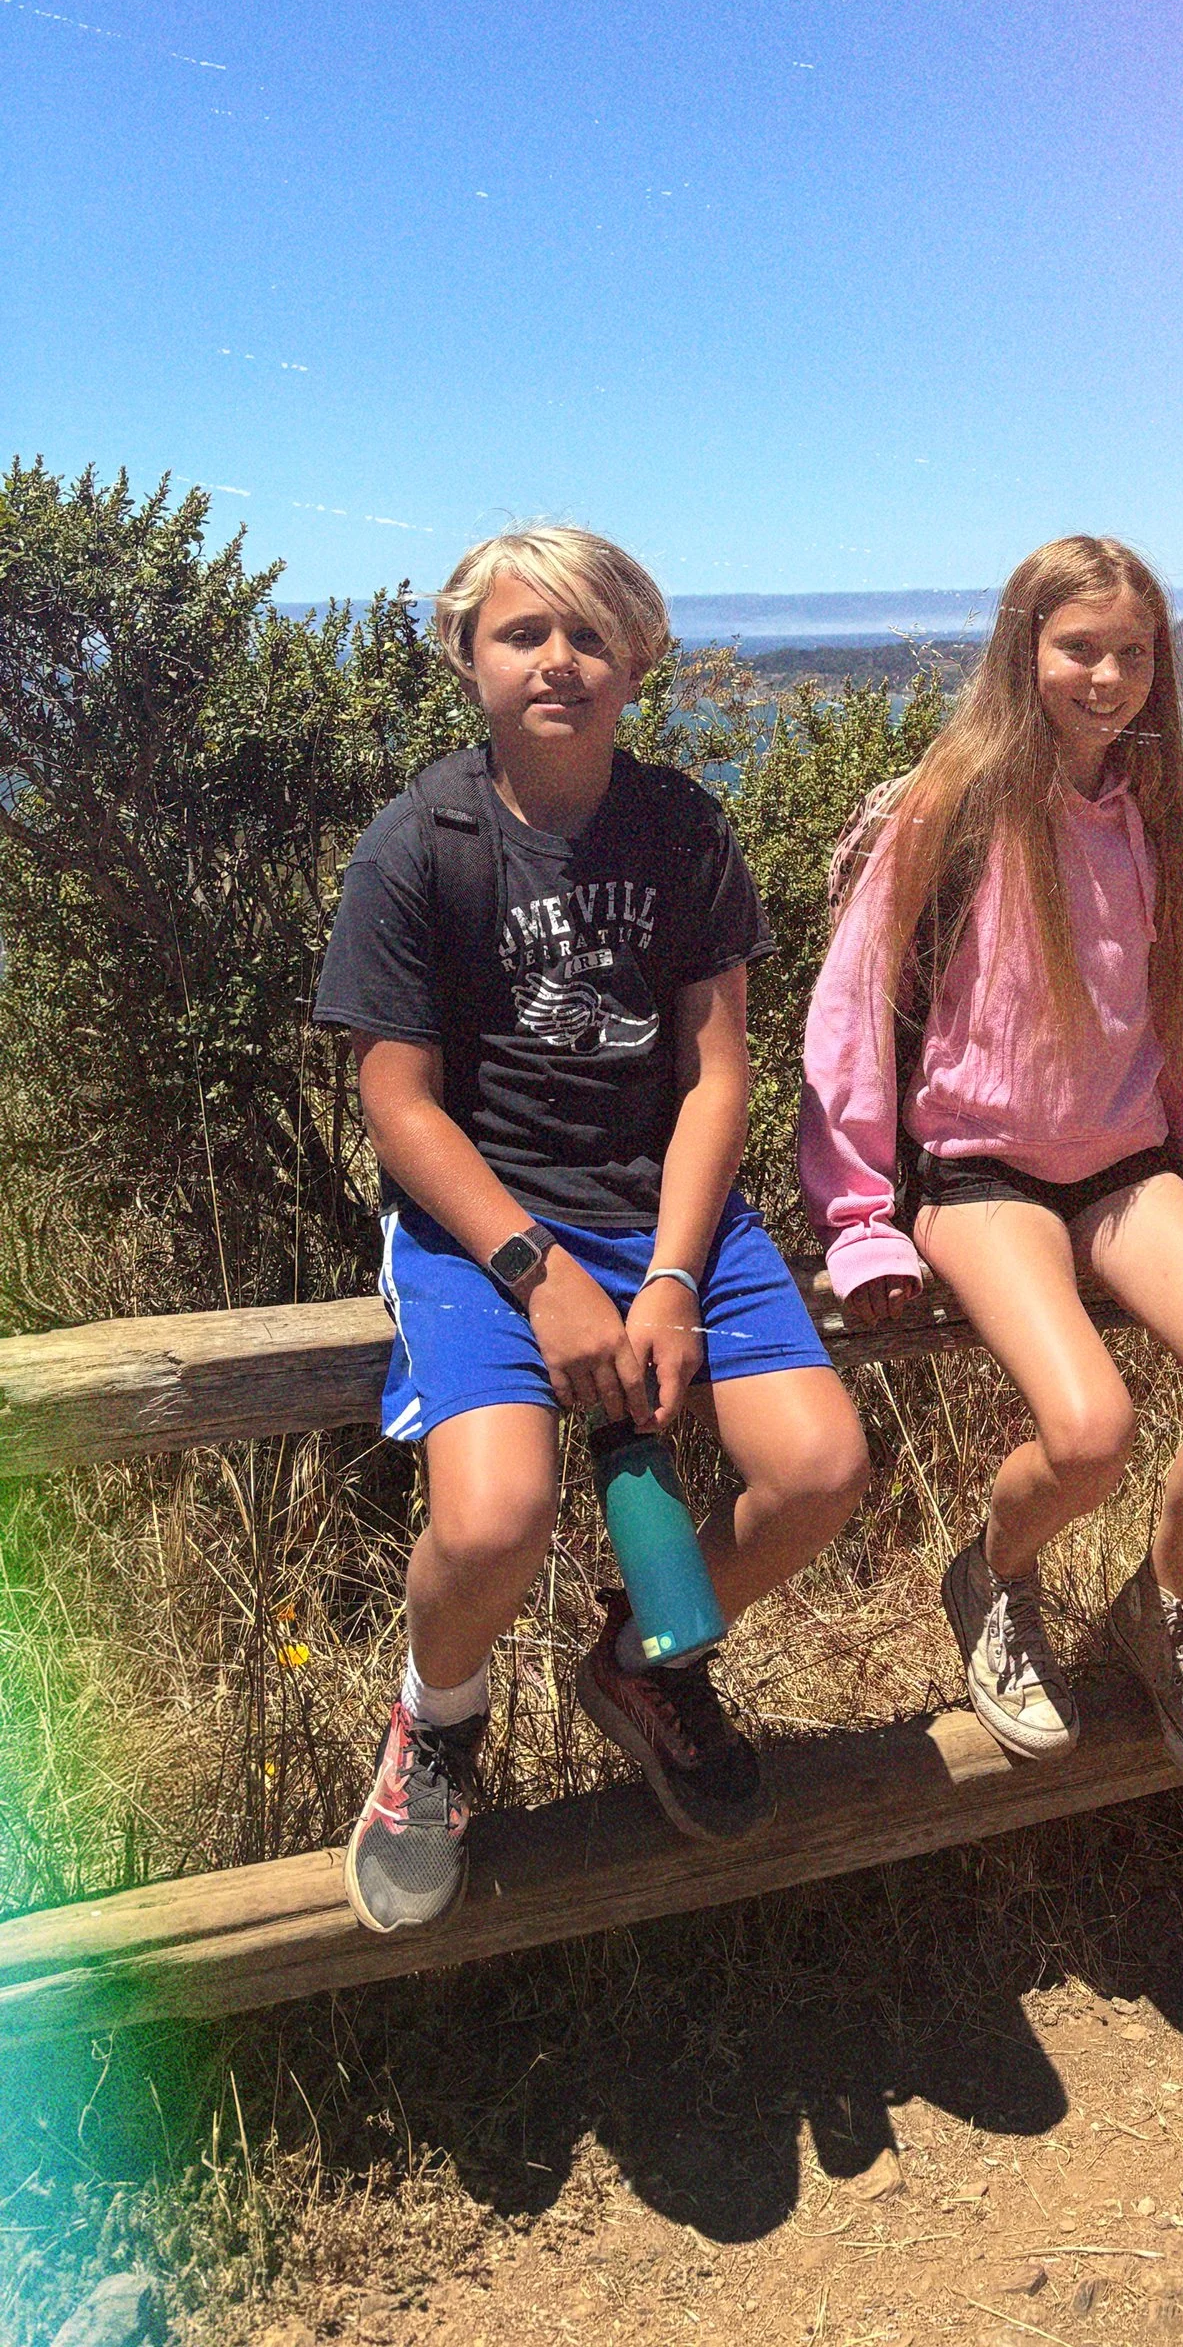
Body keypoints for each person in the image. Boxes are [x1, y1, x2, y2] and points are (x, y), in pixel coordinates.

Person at [315, 526, 870, 1935]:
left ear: (640, 661)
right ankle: (436, 1724)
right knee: (494, 1518)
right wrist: (539, 1274)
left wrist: (673, 1273)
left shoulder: (682, 828)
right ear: (465, 657)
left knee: (816, 1470)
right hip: (484, 1220)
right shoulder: (417, 846)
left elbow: (719, 1074)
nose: (557, 660)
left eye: (590, 635)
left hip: (664, 1205)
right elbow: (400, 1106)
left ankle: (638, 1663)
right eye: (521, 633)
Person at [800, 536, 1183, 1794]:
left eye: (1134, 652)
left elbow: (1179, 1009)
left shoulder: (1158, 818)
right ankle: (996, 1579)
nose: (1108, 674)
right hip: (981, 1172)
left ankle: (1161, 1605)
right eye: (1081, 647)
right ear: (1026, 648)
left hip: (1129, 1167)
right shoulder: (949, 801)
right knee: (1086, 1436)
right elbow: (853, 1011)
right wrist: (858, 1215)